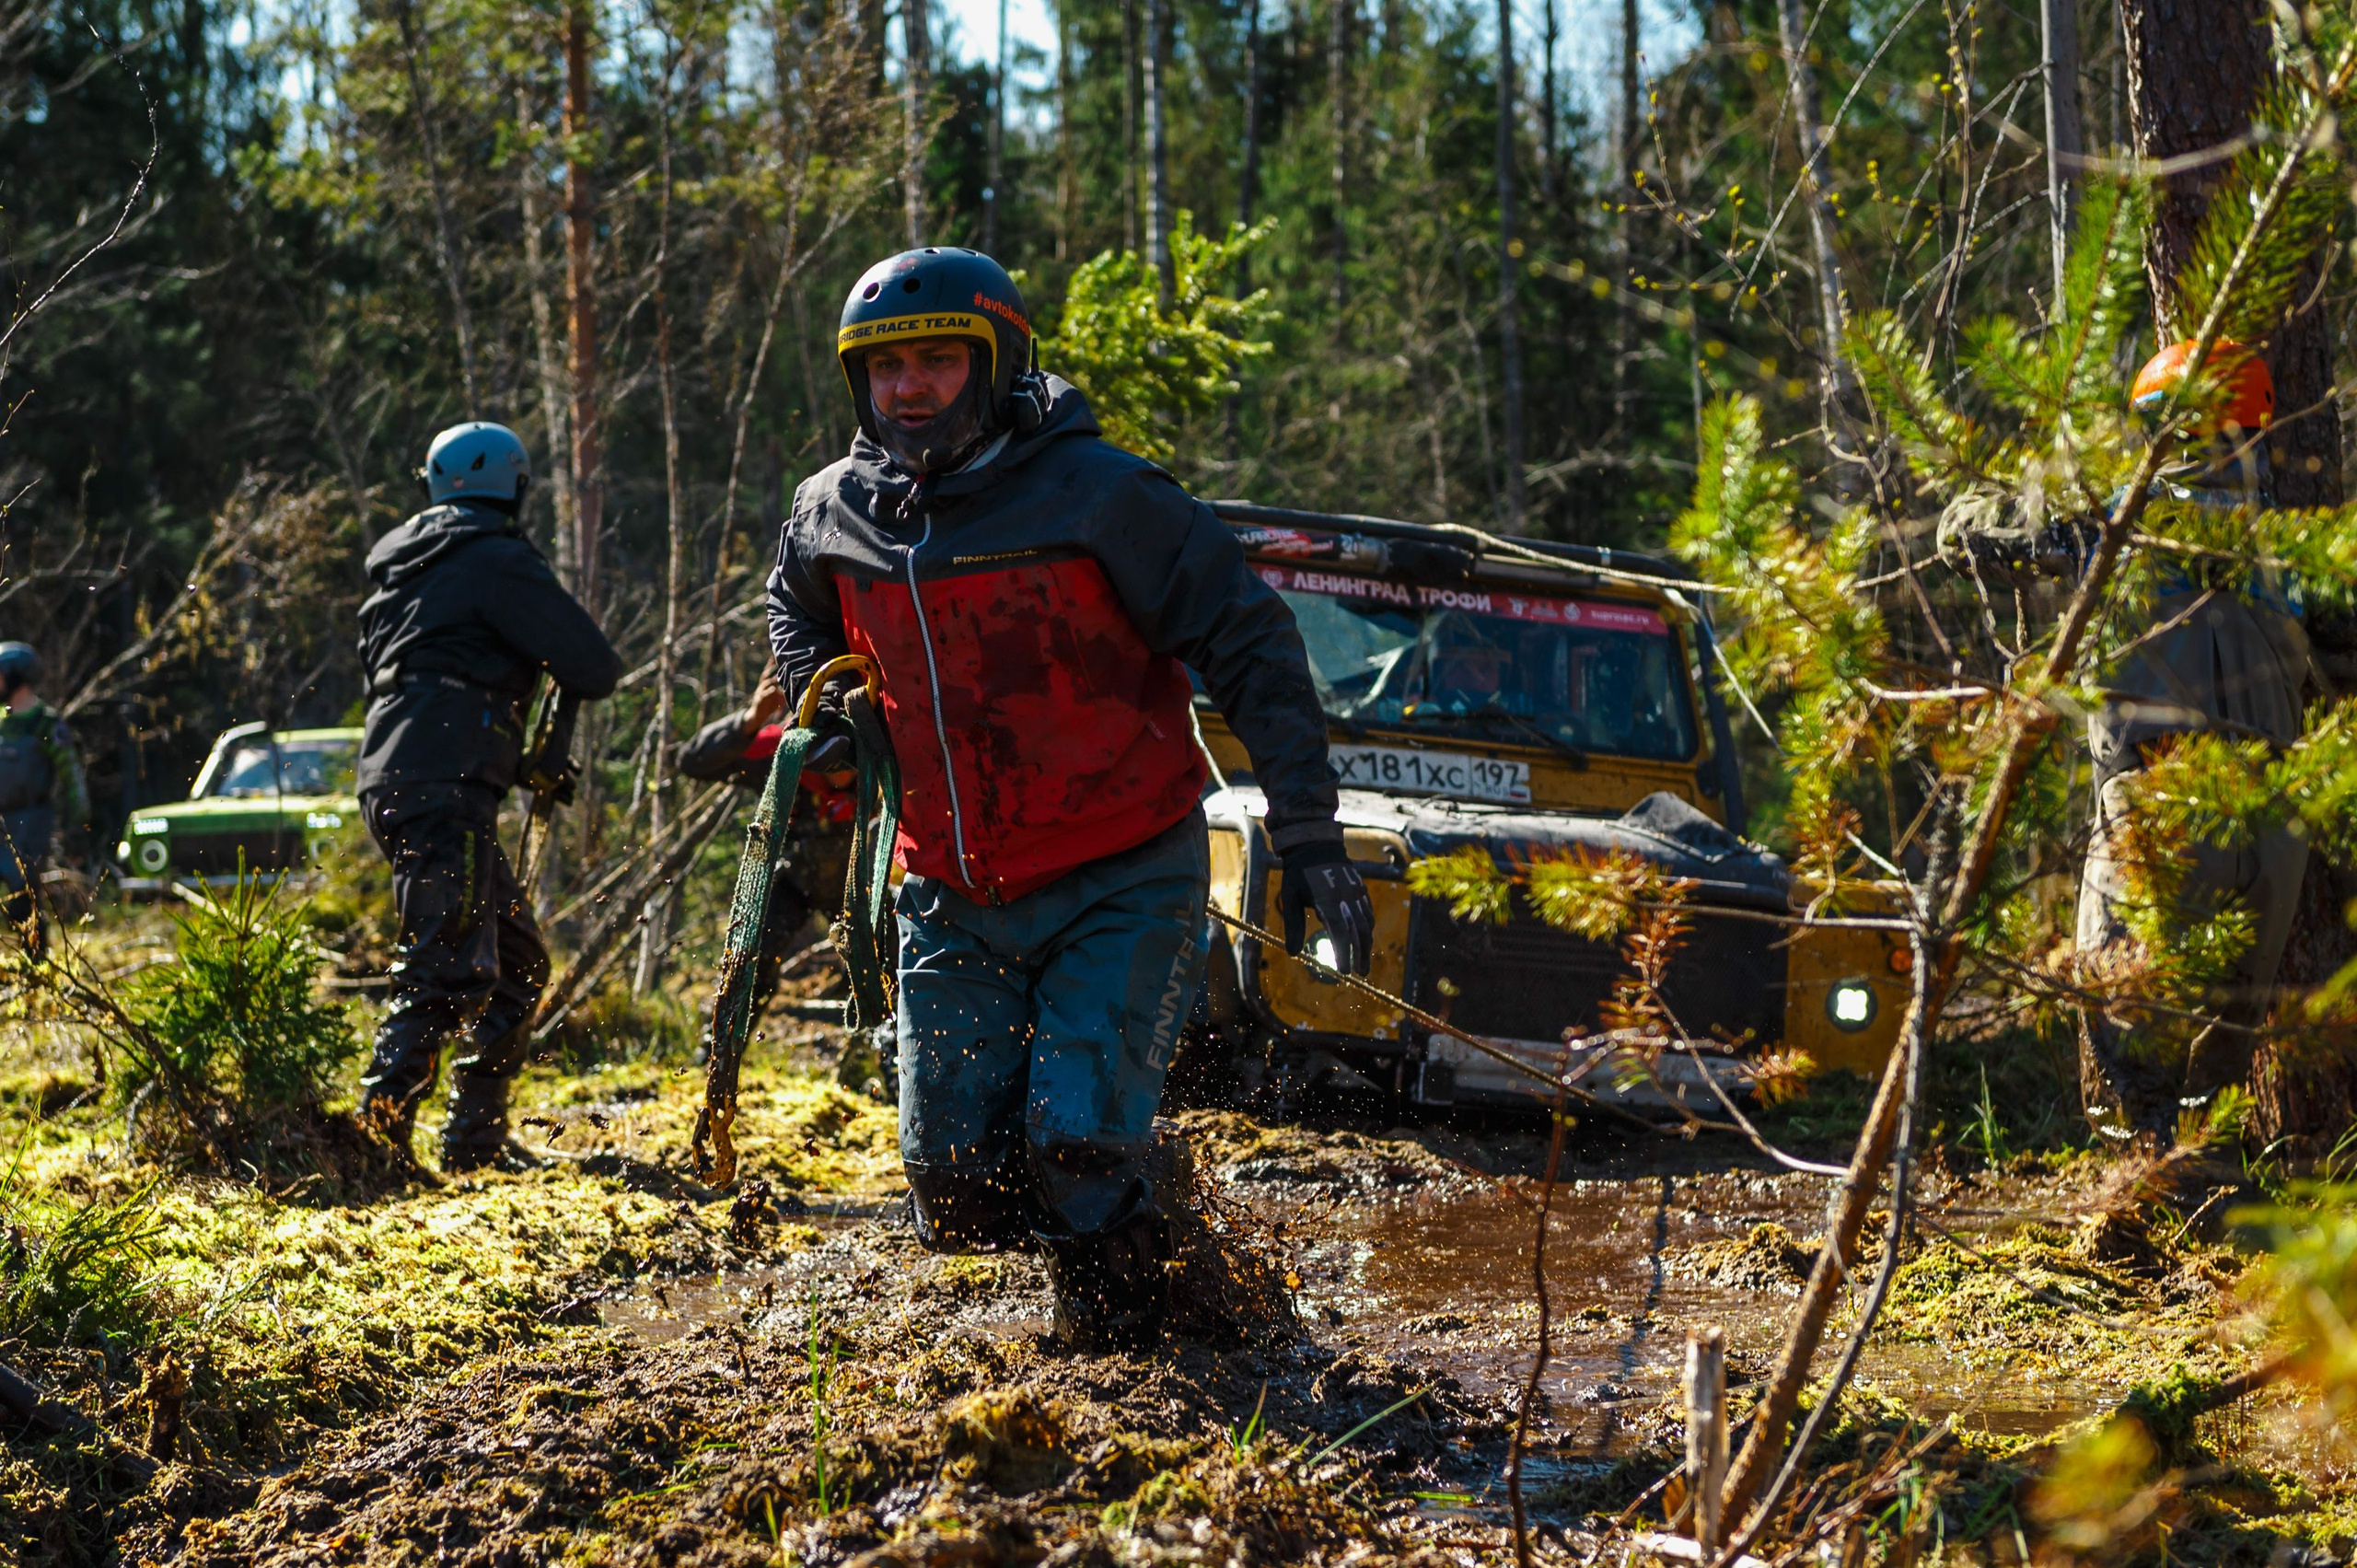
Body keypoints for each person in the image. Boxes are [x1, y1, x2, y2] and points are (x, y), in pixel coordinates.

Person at [767, 246, 1373, 1352]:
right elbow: (794, 601)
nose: (909, 388)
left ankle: (1128, 1358)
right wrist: (823, 697)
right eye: (885, 367)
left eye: (938, 360)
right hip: (948, 885)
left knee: (1075, 1144)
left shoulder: (1102, 493)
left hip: (1121, 871)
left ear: (997, 362)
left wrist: (1307, 830)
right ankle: (1146, 1214)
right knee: (953, 1182)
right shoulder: (832, 509)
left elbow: (1251, 637)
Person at [1940, 340, 2310, 1136]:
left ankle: (2148, 1169)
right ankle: (2207, 1165)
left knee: (2124, 1009)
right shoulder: (2299, 550)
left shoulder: (2111, 524)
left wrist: (1994, 498)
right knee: (2222, 1044)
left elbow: (1963, 533)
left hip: (2160, 800)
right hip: (2279, 825)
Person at [354, 422, 621, 1170]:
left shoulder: (401, 569)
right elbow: (593, 665)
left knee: (517, 964)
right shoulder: (496, 559)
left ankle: (473, 1143)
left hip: (399, 778)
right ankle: (374, 1147)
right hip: (446, 786)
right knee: (446, 966)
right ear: (515, 487)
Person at [677, 657, 857, 1010]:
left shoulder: (882, 753)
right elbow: (693, 761)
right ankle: (724, 1040)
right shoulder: (781, 749)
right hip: (790, 879)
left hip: (855, 879)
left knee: (884, 960)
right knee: (750, 963)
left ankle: (890, 1044)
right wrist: (750, 719)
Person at [0, 643, 87, 959]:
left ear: (16, 677)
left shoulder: (46, 723)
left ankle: (36, 966)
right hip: (1, 822)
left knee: (24, 898)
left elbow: (72, 777)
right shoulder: (2, 722)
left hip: (32, 822)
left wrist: (78, 827)